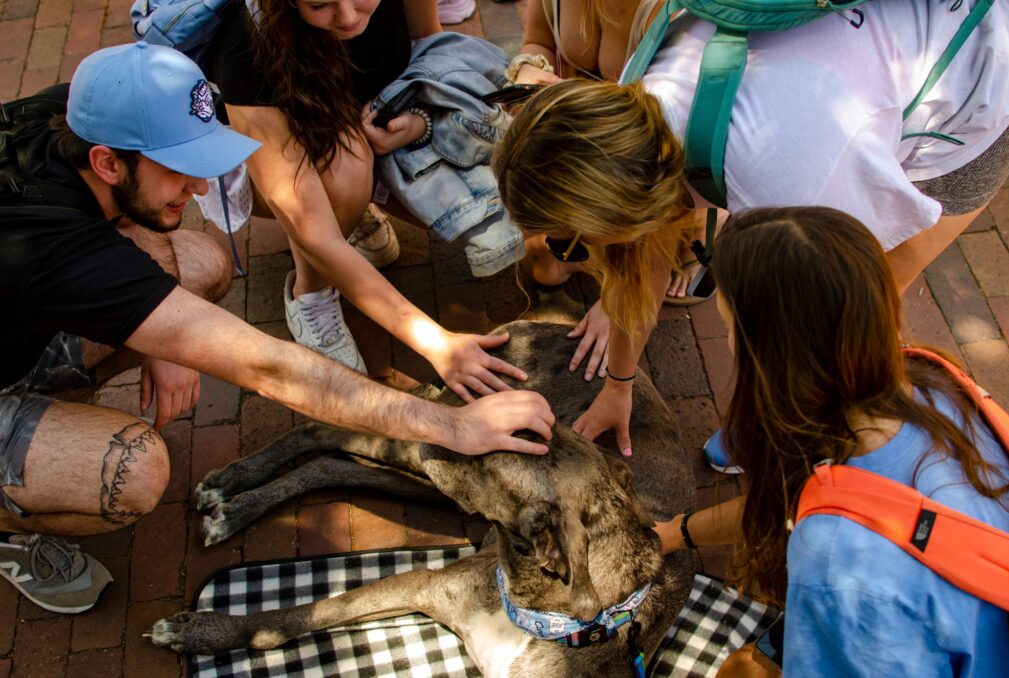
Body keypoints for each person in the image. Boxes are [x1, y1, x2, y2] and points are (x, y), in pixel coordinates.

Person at [0, 43, 554, 615]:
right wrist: (451, 425)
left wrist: (156, 342)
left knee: (200, 264)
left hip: (28, 307)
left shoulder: (73, 114)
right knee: (133, 469)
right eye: (177, 169)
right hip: (29, 301)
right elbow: (266, 366)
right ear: (107, 163)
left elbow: (130, 228)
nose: (197, 188)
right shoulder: (47, 249)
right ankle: (9, 528)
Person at [492, 0, 1009, 455]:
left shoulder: (797, 185)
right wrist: (619, 385)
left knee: (871, 296)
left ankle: (793, 428)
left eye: (567, 241)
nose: (568, 254)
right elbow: (640, 262)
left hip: (981, 63)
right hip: (858, 74)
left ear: (613, 213)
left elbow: (838, 300)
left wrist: (784, 398)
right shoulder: (631, 111)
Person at [654, 207, 1009, 676]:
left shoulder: (837, 561)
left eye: (730, 330)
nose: (728, 344)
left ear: (772, 363)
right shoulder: (929, 382)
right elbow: (786, 500)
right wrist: (675, 533)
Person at [199, 0, 525, 401]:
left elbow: (431, 50)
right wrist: (435, 342)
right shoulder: (248, 50)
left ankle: (354, 211)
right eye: (320, 4)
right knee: (344, 174)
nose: (350, 17)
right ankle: (310, 293)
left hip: (367, 116)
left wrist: (421, 120)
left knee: (504, 206)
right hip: (279, 155)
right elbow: (312, 229)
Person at [508, 0, 705, 304]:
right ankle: (593, 238)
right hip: (584, 143)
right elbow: (538, 41)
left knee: (634, 280)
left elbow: (667, 137)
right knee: (544, 268)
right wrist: (529, 70)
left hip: (661, 150)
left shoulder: (672, 9)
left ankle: (701, 225)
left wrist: (619, 301)